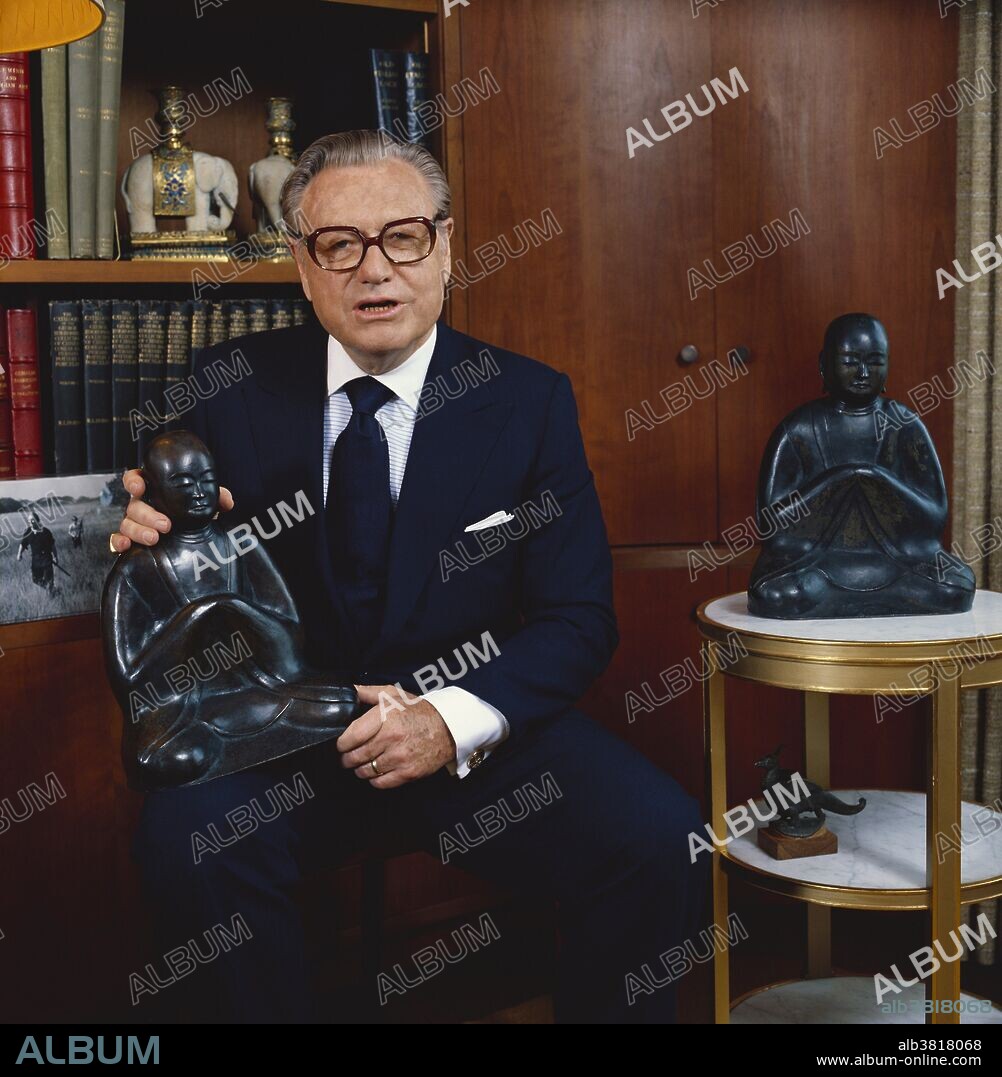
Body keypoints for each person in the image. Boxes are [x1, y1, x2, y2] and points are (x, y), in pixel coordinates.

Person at [109, 129, 706, 1023]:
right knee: (184, 841)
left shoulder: (528, 400)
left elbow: (577, 618)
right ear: (304, 267)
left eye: (404, 236)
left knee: (669, 842)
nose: (373, 270)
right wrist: (148, 532)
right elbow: (184, 563)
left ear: (447, 246)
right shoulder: (227, 388)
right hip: (293, 737)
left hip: (475, 734)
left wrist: (445, 718)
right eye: (339, 245)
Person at [748, 312, 976, 618]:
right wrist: (843, 480)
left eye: (875, 360)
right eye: (850, 361)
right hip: (817, 563)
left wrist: (876, 481)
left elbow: (933, 519)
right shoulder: (800, 428)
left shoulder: (903, 424)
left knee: (954, 587)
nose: (863, 372)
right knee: (776, 595)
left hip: (896, 560)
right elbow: (771, 525)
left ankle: (845, 603)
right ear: (823, 364)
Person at [18, 512, 58, 594]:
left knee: (49, 579)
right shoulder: (28, 532)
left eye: (33, 520)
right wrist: (19, 554)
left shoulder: (46, 532)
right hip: (35, 560)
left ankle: (51, 591)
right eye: (29, 521)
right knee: (35, 579)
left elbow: (52, 545)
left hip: (46, 559)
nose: (31, 523)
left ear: (37, 520)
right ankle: (50, 588)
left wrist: (55, 557)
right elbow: (23, 544)